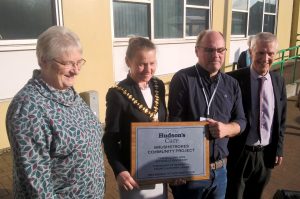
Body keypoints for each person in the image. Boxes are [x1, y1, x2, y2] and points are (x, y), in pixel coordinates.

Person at [6, 26, 105, 198]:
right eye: (67, 63)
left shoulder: (66, 92)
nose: (76, 70)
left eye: (79, 62)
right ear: (43, 61)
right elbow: (36, 185)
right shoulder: (28, 109)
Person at [168, 30, 246, 199]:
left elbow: (241, 120)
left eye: (220, 50)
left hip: (220, 172)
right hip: (189, 172)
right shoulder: (182, 79)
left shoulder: (232, 84)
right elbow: (174, 125)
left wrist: (227, 129)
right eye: (209, 50)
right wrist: (175, 167)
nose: (215, 55)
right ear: (197, 51)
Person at [103, 37, 167, 199]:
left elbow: (164, 125)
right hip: (134, 176)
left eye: (152, 63)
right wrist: (120, 170)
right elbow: (110, 138)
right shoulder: (118, 94)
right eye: (141, 64)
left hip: (160, 169)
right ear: (128, 61)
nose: (148, 69)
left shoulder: (158, 86)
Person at [226, 32, 287, 199]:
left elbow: (281, 119)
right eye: (260, 52)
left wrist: (278, 148)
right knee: (234, 195)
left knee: (255, 195)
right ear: (251, 52)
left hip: (266, 154)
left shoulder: (278, 81)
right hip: (240, 152)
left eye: (270, 53)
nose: (265, 58)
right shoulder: (233, 79)